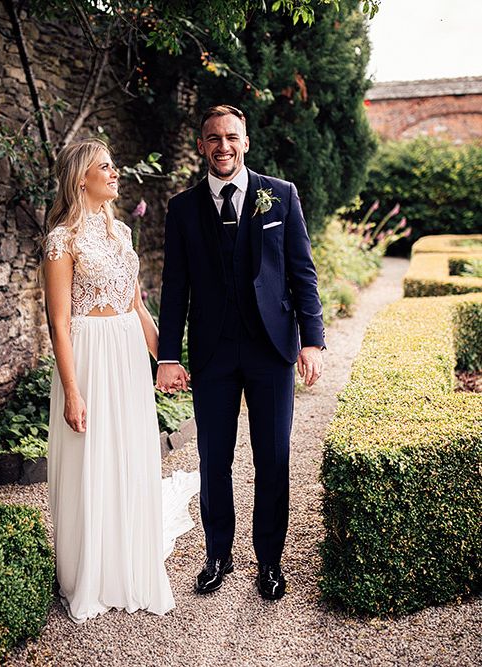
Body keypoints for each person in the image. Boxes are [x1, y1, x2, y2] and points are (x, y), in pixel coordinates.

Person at [156, 105, 325, 601]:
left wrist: (312, 339)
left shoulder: (281, 195)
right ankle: (218, 554)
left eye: (232, 137)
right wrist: (168, 354)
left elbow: (302, 272)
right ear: (201, 145)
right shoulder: (183, 209)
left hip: (270, 348)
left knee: (272, 457)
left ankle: (270, 562)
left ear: (245, 142)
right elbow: (173, 287)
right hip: (213, 353)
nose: (223, 146)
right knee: (214, 458)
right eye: (213, 138)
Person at [43, 138, 196, 623]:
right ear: (80, 177)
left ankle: (129, 557)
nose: (115, 174)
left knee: (130, 453)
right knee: (92, 456)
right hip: (88, 354)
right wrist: (72, 390)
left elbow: (136, 303)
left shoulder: (122, 232)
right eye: (105, 167)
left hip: (129, 353)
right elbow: (59, 323)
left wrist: (164, 356)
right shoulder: (61, 240)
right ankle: (91, 569)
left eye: (113, 167)